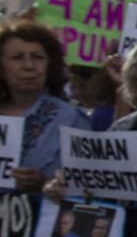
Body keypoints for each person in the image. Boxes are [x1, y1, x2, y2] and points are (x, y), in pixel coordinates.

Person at [0, 21, 90, 192]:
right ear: (1, 68)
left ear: (50, 65)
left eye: (38, 57)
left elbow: (88, 191)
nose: (29, 66)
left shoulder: (72, 120)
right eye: (17, 58)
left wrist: (45, 184)